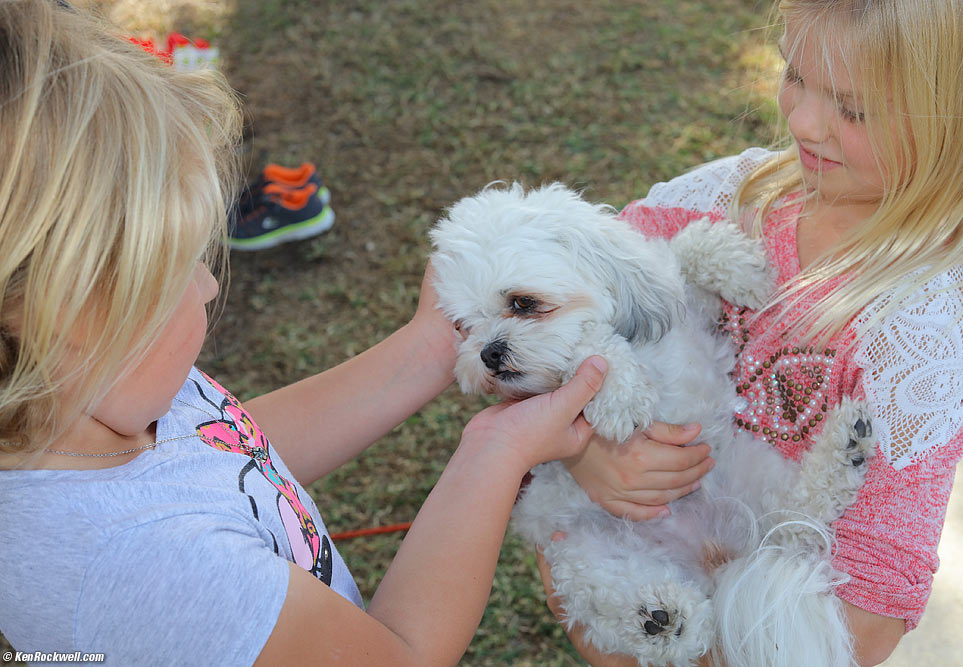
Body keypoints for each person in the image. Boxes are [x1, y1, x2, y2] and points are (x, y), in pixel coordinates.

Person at [0, 2, 609, 665]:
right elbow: (401, 656)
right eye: (179, 270)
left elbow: (223, 456)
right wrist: (495, 450)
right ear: (59, 312)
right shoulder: (147, 567)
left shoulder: (89, 385)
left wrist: (428, 348)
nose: (207, 286)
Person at [537, 1, 963, 665]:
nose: (803, 121)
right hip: (628, 570)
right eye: (795, 74)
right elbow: (558, 300)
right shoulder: (738, 195)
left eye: (854, 109)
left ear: (957, 122)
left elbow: (865, 620)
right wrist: (585, 456)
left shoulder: (923, 328)